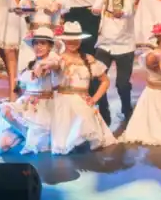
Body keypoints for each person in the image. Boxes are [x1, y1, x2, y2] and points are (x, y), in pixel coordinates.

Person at [48, 21, 118, 154]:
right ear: (63, 40)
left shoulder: (88, 59)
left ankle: (81, 137)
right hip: (64, 101)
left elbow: (105, 81)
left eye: (76, 40)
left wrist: (94, 99)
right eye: (69, 40)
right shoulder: (58, 58)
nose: (73, 43)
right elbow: (52, 69)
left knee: (85, 119)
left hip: (83, 99)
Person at [90, 0, 138, 125]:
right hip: (104, 42)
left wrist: (122, 12)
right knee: (97, 78)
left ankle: (127, 109)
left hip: (124, 43)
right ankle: (104, 112)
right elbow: (97, 4)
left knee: (122, 84)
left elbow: (128, 9)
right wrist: (96, 9)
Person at [0, 27, 61, 154]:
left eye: (43, 43)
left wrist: (43, 66)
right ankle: (26, 135)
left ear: (49, 46)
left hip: (43, 107)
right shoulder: (31, 64)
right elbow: (24, 85)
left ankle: (34, 137)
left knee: (37, 144)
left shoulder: (51, 61)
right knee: (2, 144)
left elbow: (55, 63)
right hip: (26, 104)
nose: (39, 46)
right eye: (36, 43)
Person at [15, 0, 69, 74]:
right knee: (29, 63)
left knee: (51, 67)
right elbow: (18, 11)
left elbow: (67, 7)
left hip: (51, 37)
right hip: (33, 38)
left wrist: (57, 7)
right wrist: (28, 9)